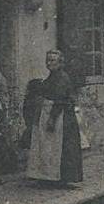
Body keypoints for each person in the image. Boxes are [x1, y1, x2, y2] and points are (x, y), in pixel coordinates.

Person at [26, 49, 83, 186]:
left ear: (60, 63)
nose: (49, 63)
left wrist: (52, 118)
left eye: (52, 60)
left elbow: (60, 99)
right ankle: (49, 176)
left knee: (58, 147)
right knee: (48, 146)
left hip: (60, 116)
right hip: (51, 113)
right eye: (48, 60)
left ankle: (58, 177)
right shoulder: (52, 76)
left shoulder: (62, 78)